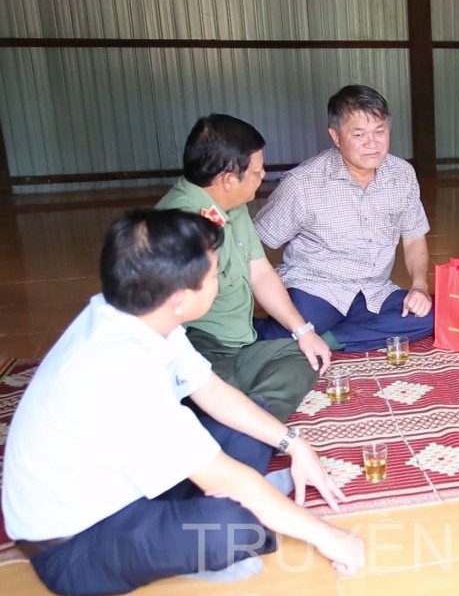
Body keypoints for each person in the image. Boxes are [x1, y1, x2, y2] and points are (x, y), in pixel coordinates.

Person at [1, 210, 364, 596]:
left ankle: (253, 499)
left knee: (251, 422)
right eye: (214, 276)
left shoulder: (137, 312)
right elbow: (222, 476)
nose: (220, 281)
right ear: (178, 298)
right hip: (76, 545)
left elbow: (211, 391)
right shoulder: (120, 372)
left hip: (128, 484)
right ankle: (244, 513)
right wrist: (328, 536)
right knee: (231, 526)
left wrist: (295, 444)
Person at [157, 114, 330, 422]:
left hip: (240, 341)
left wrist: (303, 331)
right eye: (257, 170)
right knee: (209, 389)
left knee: (303, 355)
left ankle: (249, 416)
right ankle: (240, 419)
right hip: (199, 347)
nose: (263, 175)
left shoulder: (232, 206)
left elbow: (260, 272)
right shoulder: (178, 225)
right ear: (228, 180)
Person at [252, 85, 434, 351]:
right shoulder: (303, 183)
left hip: (373, 291)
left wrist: (419, 285)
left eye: (379, 131)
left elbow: (414, 238)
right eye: (359, 134)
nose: (372, 143)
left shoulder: (402, 174)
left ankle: (328, 340)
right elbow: (254, 243)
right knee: (281, 339)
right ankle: (323, 335)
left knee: (429, 316)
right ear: (336, 136)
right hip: (316, 288)